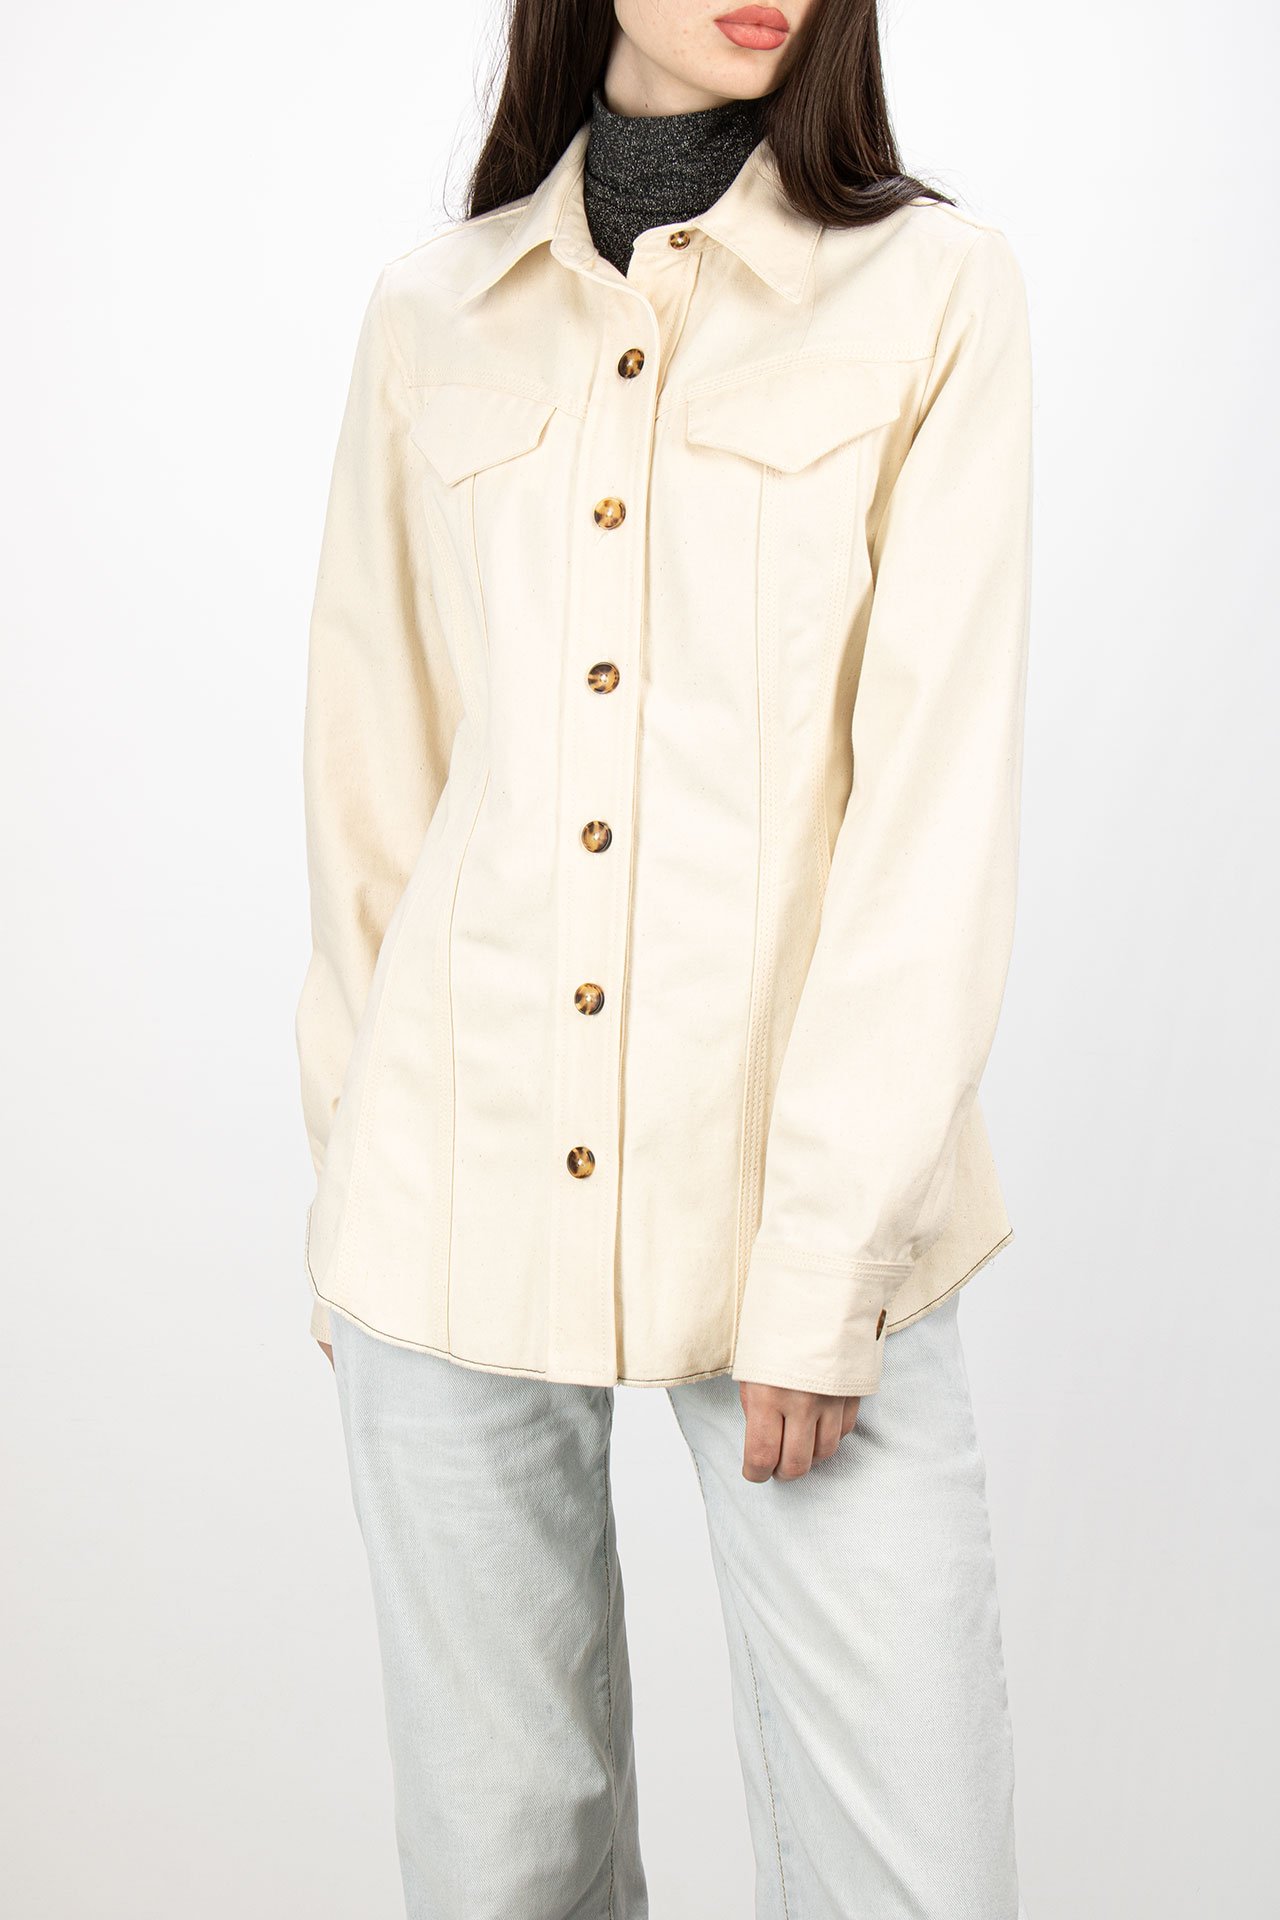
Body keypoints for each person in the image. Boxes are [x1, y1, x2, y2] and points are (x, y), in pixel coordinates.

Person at [295, 2, 1033, 1914]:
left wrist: (829, 1271)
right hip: (446, 1189)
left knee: (914, 1874)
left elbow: (931, 818)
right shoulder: (433, 314)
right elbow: (375, 782)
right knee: (505, 1867)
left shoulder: (934, 293)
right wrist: (348, 1183)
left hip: (803, 1214)